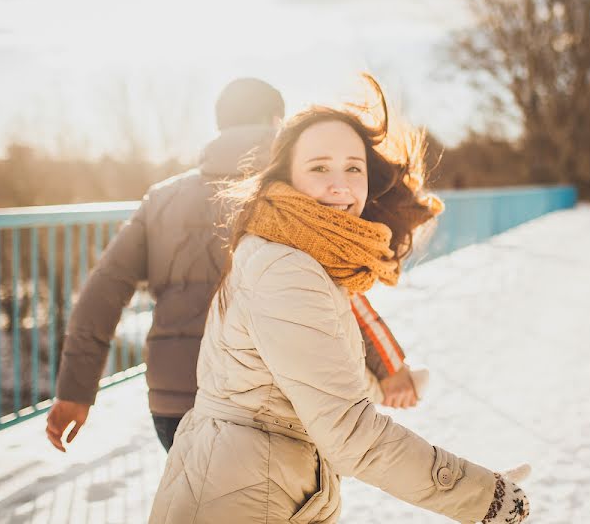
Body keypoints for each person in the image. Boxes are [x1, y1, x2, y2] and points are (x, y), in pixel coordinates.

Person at [149, 75, 530, 523]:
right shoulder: (287, 268)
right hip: (245, 497)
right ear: (285, 176)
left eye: (354, 168)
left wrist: (382, 385)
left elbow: (305, 374)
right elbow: (351, 434)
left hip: (253, 482)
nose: (340, 185)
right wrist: (486, 497)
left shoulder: (297, 250)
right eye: (319, 167)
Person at [46, 78, 419, 454]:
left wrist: (75, 390)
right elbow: (339, 293)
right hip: (270, 396)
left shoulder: (162, 199)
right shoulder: (293, 197)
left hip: (175, 399)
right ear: (278, 122)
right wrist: (389, 368)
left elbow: (103, 289)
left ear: (221, 124)